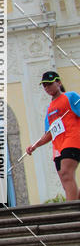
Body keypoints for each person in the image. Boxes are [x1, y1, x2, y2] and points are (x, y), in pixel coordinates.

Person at [26, 70, 80, 201]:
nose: (47, 87)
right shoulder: (50, 108)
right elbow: (49, 132)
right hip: (58, 147)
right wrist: (35, 146)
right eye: (44, 85)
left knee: (66, 173)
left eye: (50, 83)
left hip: (73, 138)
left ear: (58, 82)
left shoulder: (71, 97)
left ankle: (70, 210)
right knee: (65, 180)